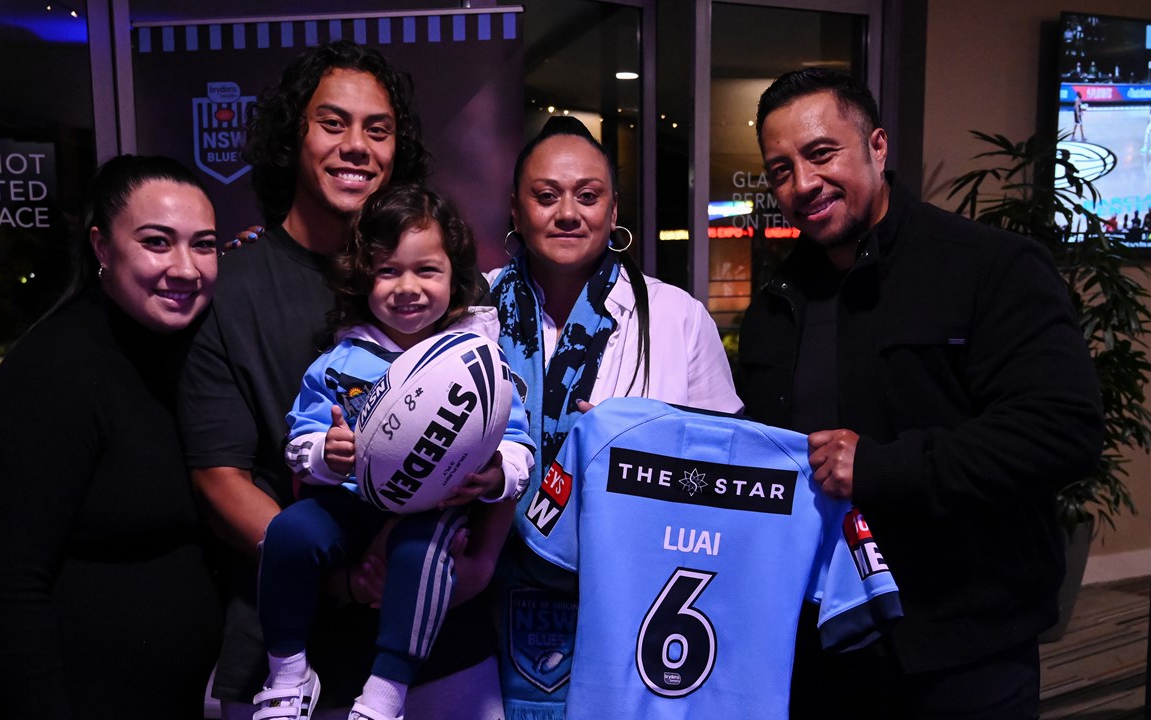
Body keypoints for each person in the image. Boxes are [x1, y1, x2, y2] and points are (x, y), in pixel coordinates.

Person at [736, 68, 1102, 719]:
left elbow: (1062, 431)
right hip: (816, 650)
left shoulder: (989, 266)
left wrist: (881, 467)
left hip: (963, 651)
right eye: (781, 170)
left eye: (822, 154)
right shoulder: (774, 303)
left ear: (877, 147)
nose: (803, 183)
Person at [178, 40, 508, 720]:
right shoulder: (232, 288)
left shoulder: (451, 289)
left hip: (441, 652)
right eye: (332, 123)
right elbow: (219, 478)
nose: (356, 145)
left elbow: (503, 427)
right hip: (287, 660)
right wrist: (337, 579)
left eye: (377, 129)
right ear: (291, 135)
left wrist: (479, 562)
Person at [0, 155, 224, 719]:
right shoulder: (53, 372)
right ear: (101, 247)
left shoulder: (190, 358)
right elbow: (6, 587)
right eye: (157, 242)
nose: (186, 268)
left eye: (203, 245)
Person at [488, 116, 743, 720]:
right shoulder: (468, 308)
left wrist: (639, 445)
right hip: (480, 593)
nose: (567, 213)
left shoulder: (676, 317)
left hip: (636, 599)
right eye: (545, 196)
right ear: (516, 209)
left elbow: (724, 472)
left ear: (613, 209)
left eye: (588, 195)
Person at [255, 185, 534, 720]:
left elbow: (519, 447)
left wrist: (497, 475)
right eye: (388, 271)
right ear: (364, 278)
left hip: (435, 508)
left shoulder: (481, 361)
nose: (408, 287)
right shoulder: (341, 360)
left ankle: (385, 696)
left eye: (427, 270)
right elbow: (298, 441)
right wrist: (324, 453)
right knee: (286, 534)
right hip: (351, 503)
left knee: (419, 557)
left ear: (454, 276)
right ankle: (287, 674)